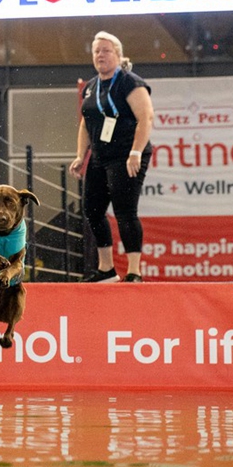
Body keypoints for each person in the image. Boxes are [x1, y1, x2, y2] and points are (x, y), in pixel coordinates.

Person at [70, 31, 154, 283]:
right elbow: (85, 123)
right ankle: (106, 269)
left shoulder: (130, 82)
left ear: (117, 54)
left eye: (106, 50)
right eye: (96, 51)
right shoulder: (91, 87)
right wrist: (80, 155)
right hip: (99, 156)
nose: (100, 55)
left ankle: (134, 271)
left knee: (124, 211)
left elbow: (146, 117)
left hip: (126, 154)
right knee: (92, 210)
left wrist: (135, 152)